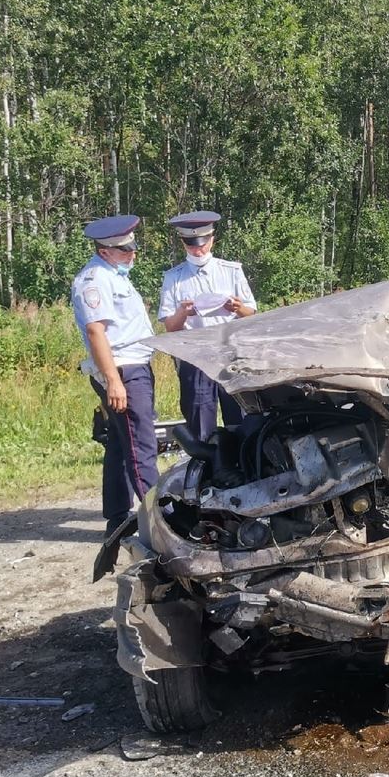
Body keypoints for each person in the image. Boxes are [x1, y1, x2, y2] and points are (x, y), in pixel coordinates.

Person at [71, 215, 159, 535]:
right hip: (122, 370)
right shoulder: (94, 280)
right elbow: (96, 332)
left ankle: (118, 516)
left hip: (132, 367)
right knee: (141, 446)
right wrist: (113, 380)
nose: (132, 254)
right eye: (125, 250)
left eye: (133, 247)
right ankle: (161, 519)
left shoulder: (115, 276)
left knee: (122, 445)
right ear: (105, 250)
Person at [158, 210, 257, 442]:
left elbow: (251, 312)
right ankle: (206, 467)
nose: (198, 250)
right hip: (195, 355)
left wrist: (237, 308)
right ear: (183, 243)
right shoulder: (173, 278)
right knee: (201, 419)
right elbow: (170, 327)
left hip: (231, 352)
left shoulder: (231, 271)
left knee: (242, 417)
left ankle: (244, 464)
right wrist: (183, 313)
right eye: (191, 245)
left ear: (212, 239)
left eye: (202, 244)